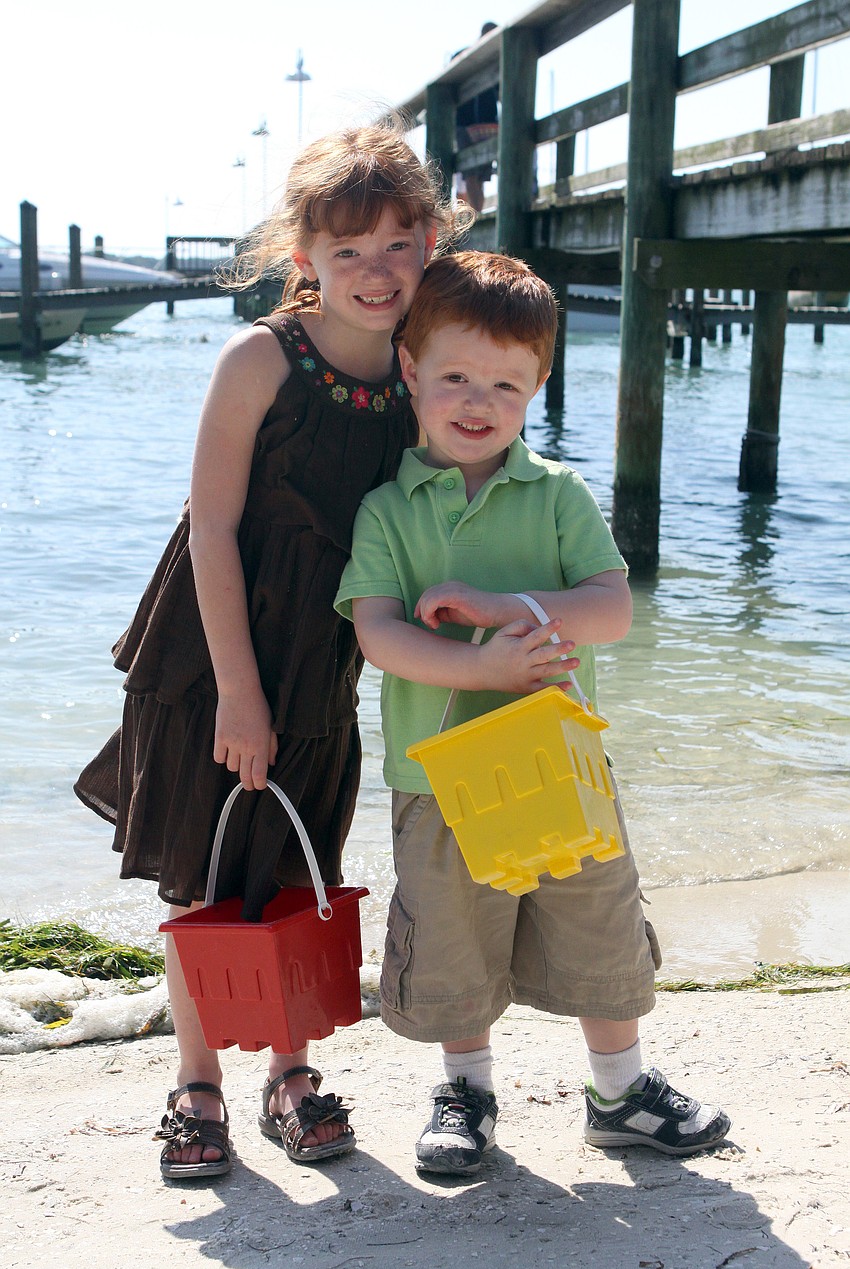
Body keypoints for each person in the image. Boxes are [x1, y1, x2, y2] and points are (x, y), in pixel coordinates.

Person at [74, 120, 462, 1181]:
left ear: (431, 239)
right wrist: (238, 695)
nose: (376, 273)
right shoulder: (260, 358)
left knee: (298, 861)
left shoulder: (422, 365)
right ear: (304, 262)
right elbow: (210, 529)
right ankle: (195, 1084)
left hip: (323, 660)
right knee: (203, 871)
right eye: (349, 252)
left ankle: (287, 1075)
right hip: (210, 651)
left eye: (397, 244)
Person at [334, 251, 731, 1176]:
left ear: (538, 385)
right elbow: (380, 634)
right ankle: (465, 1090)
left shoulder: (558, 493)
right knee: (454, 938)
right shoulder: (388, 510)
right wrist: (487, 663)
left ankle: (621, 1088)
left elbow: (614, 607)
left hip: (559, 763)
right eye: (457, 377)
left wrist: (512, 614)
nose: (479, 400)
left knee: (596, 921)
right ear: (411, 371)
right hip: (439, 775)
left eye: (507, 383)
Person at [452, 22, 499, 212]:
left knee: (479, 174)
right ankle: (474, 216)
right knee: (471, 173)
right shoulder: (464, 57)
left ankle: (474, 215)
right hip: (466, 125)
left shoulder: (496, 60)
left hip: (487, 126)